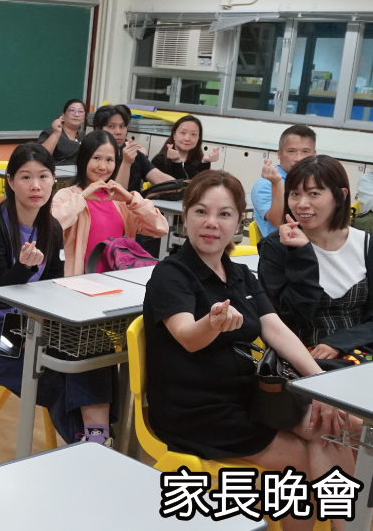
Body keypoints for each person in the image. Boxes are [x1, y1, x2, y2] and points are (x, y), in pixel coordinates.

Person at [144, 169, 353, 531]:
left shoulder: (240, 273)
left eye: (224, 214)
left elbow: (276, 329)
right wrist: (211, 323)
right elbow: (187, 336)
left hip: (247, 396)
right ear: (185, 215)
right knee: (297, 463)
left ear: (238, 221)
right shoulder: (171, 274)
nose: (212, 223)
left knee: (334, 425)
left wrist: (321, 386)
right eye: (201, 211)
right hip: (197, 410)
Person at [0, 144, 111, 445]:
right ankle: (93, 447)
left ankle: (97, 436)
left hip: (35, 323)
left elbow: (51, 286)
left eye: (43, 176)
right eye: (26, 177)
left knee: (95, 348)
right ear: (10, 181)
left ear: (54, 180)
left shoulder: (51, 228)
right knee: (53, 380)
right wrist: (23, 269)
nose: (35, 185)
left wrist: (50, 326)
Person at [259, 155, 373, 359]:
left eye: (314, 194)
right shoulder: (276, 247)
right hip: (303, 355)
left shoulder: (366, 244)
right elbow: (289, 317)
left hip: (362, 348)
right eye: (295, 194)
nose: (302, 204)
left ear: (340, 196)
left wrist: (340, 343)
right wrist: (301, 254)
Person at [51, 130, 168, 276]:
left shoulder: (120, 202)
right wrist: (82, 197)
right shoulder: (67, 196)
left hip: (117, 280)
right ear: (83, 159)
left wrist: (131, 199)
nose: (102, 167)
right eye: (96, 158)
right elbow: (51, 229)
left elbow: (160, 228)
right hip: (79, 281)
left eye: (109, 160)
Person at [250, 125, 317, 239]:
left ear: (314, 154)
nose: (299, 158)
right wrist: (277, 184)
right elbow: (281, 223)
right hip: (284, 246)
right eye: (291, 151)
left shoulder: (315, 181)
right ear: (279, 154)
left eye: (305, 152)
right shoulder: (266, 184)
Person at [96, 104, 173, 194]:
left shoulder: (133, 154)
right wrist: (126, 163)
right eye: (111, 126)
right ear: (99, 130)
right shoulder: (94, 156)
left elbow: (161, 179)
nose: (118, 132)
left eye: (122, 126)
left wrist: (181, 184)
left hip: (134, 202)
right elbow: (115, 195)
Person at [150, 115, 217, 188]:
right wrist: (176, 162)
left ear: (199, 138)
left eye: (193, 134)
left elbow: (202, 189)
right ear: (174, 135)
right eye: (183, 133)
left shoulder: (197, 161)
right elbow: (179, 190)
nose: (187, 138)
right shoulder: (160, 161)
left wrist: (205, 162)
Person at [37, 99, 85, 164]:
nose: (76, 115)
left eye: (81, 112)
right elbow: (39, 157)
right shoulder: (50, 133)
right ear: (63, 115)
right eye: (72, 111)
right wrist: (56, 133)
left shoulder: (85, 137)